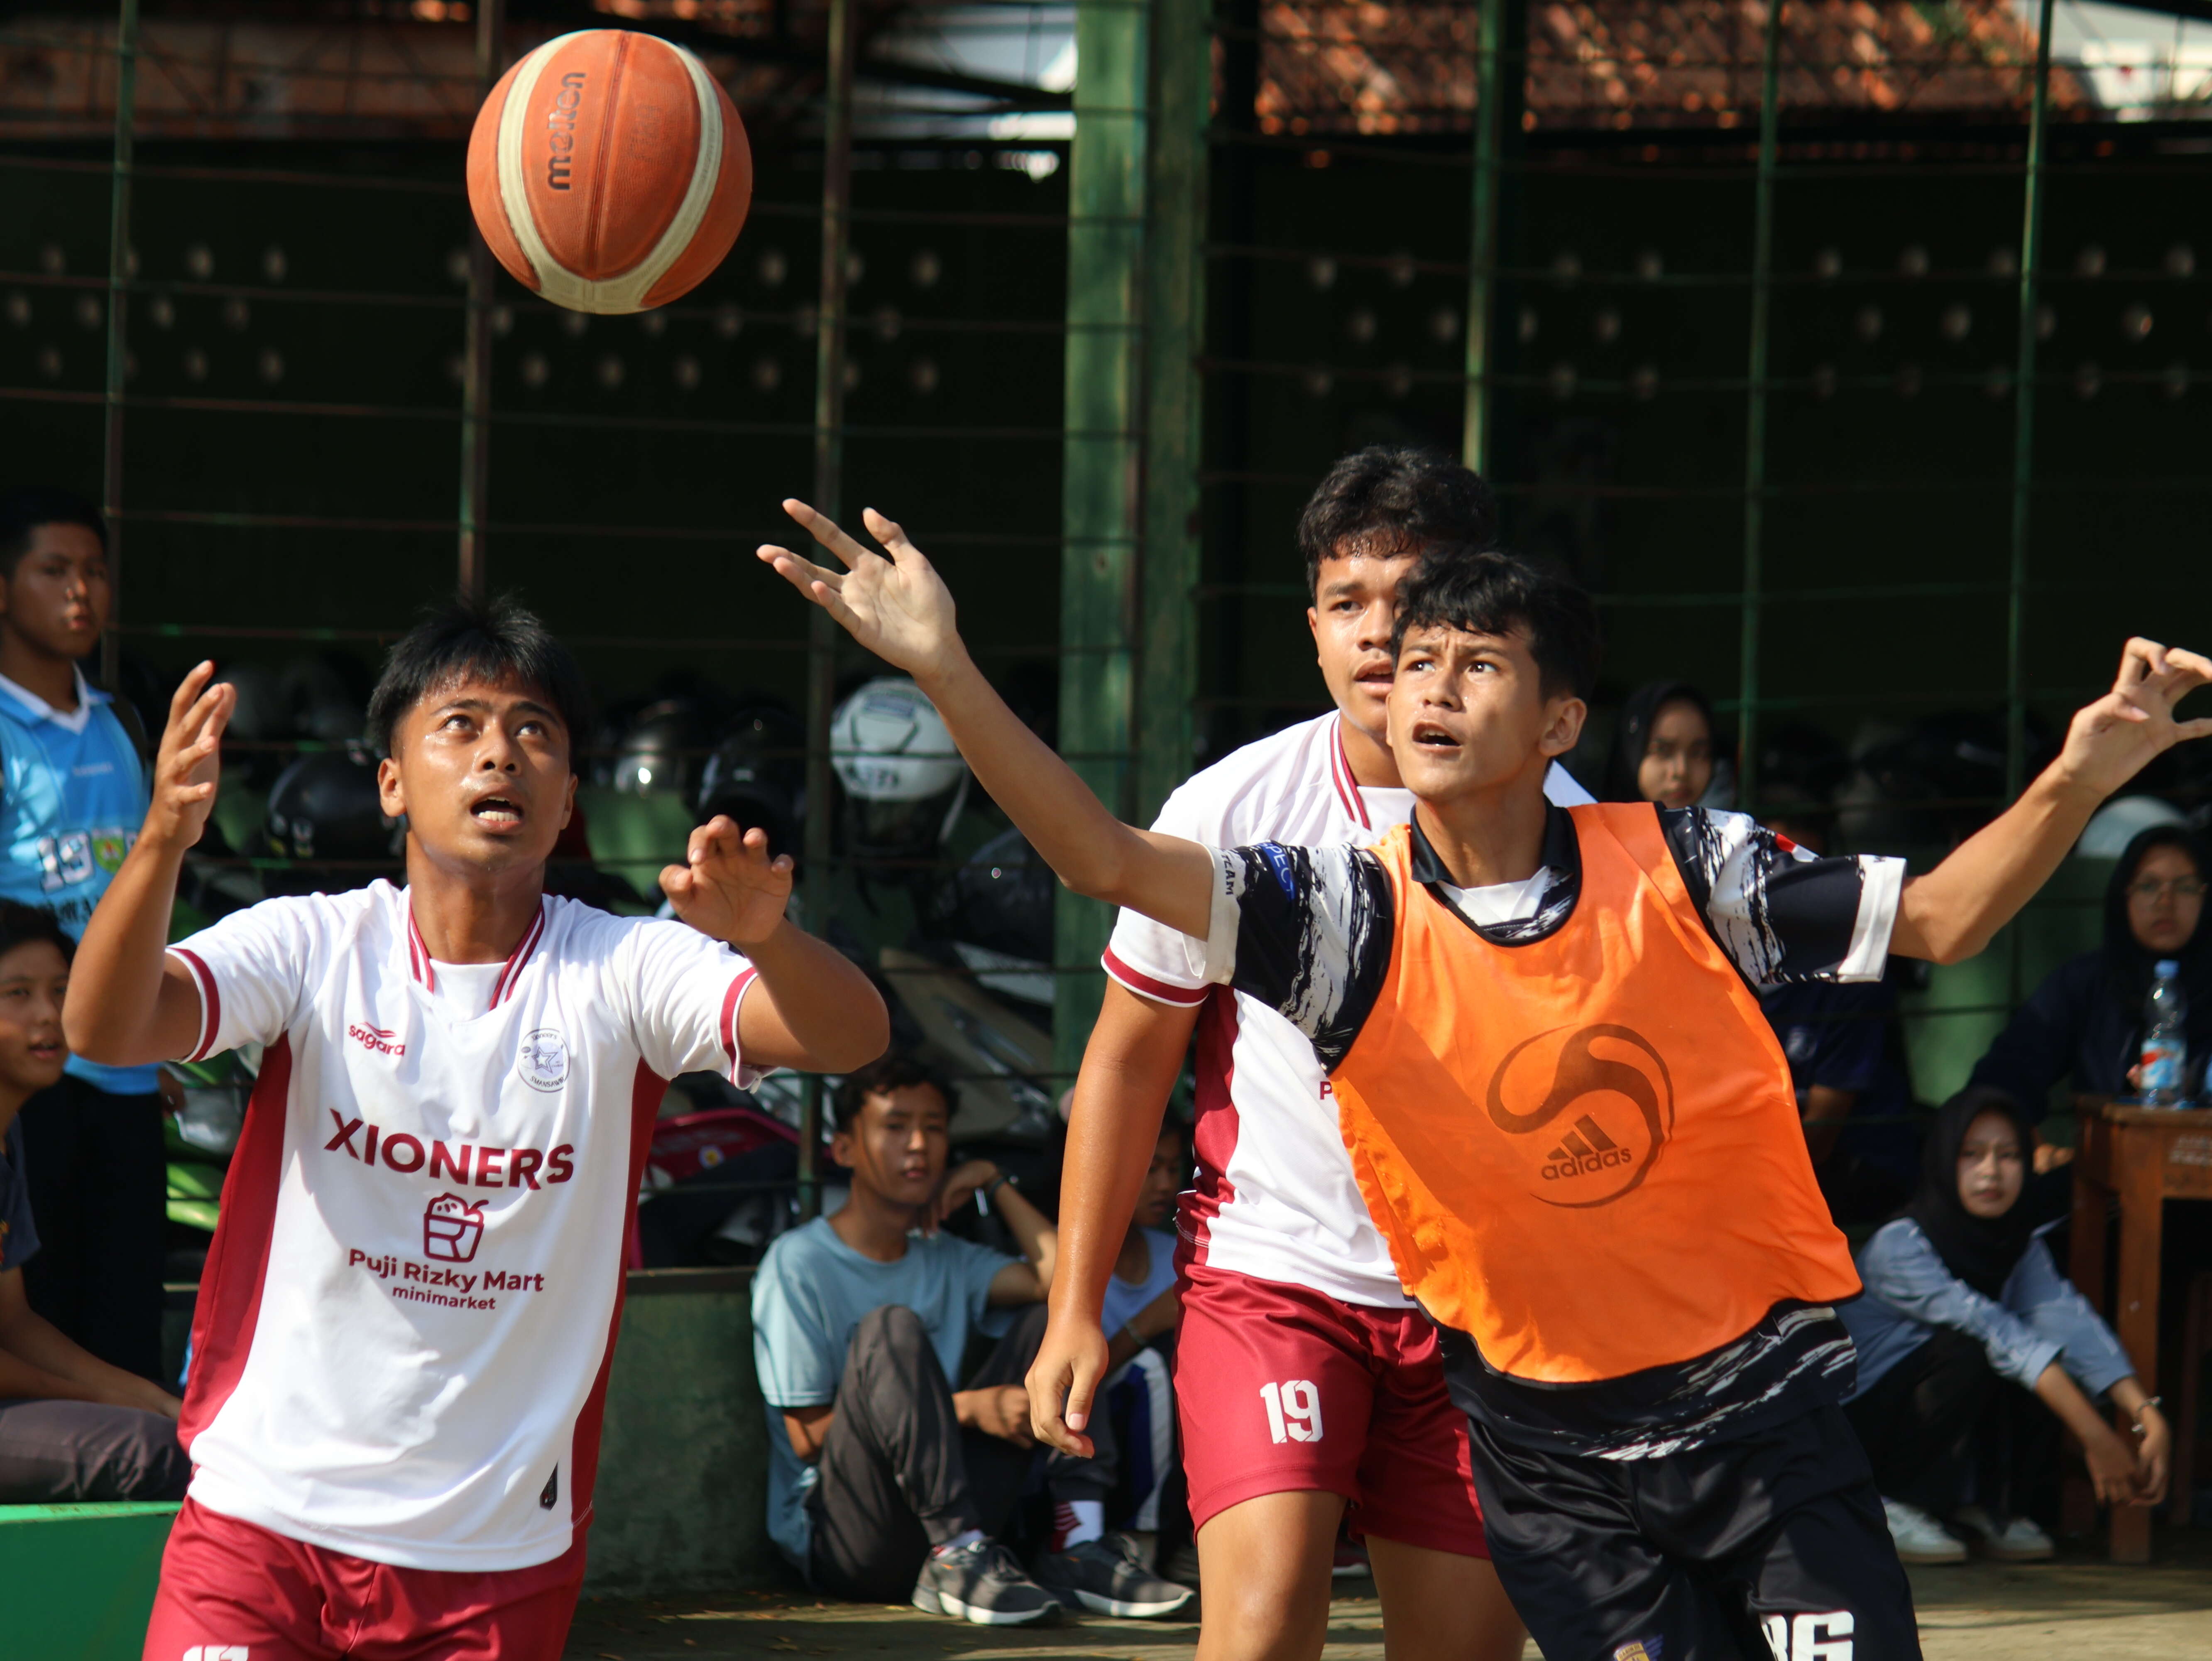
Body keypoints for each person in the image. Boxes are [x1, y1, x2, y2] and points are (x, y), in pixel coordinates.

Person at [761, 497, 2212, 1661]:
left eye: (1471, 663)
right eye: (1405, 657)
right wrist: (944, 668)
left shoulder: (1684, 862)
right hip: (1545, 1445)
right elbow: (1097, 856)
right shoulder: (1338, 916)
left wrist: (2077, 776)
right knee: (1261, 1625)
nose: (1420, 684)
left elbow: (1944, 922)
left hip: (1747, 1412)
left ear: (1558, 723)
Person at [62, 595, 888, 1658]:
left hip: (495, 1560)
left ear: (569, 796)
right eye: (462, 724)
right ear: (392, 783)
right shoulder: (317, 944)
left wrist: (770, 939)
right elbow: (108, 1024)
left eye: (535, 730)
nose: (502, 751)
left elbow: (851, 1037)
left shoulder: (625, 968)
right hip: (262, 1528)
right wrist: (161, 845)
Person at [1037, 448, 1577, 1661]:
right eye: (1348, 602)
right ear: (1314, 628)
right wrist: (1075, 1305)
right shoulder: (1231, 809)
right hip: (1275, 1283)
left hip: (1484, 1319)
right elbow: (1128, 1063)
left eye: (1415, 595)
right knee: (1268, 1620)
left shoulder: (1575, 829)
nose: (1380, 633)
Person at [752, 1052, 1192, 1626]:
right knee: (891, 1328)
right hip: (852, 1538)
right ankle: (956, 1554)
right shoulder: (799, 1263)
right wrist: (968, 1410)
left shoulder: (949, 1259)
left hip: (958, 1515)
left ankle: (1077, 1543)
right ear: (843, 1149)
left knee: (1050, 1322)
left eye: (933, 1129)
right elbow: (807, 1437)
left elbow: (1068, 1280)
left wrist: (994, 1179)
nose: (918, 1145)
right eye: (895, 1126)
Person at [1839, 1087, 2168, 1564]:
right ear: (1942, 1161)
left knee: (2043, 1350)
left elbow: (2071, 1323)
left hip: (1937, 1417)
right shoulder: (1901, 1247)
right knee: (1975, 1348)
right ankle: (1887, 1504)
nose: (1991, 1171)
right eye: (1971, 1154)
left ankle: (1980, 1505)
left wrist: (2146, 1413)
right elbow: (1997, 1333)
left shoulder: (2016, 1244)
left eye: (2010, 1155)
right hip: (1860, 1429)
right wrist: (2098, 1436)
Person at [0, 488, 165, 1382]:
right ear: (2, 587)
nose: (81, 592)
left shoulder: (119, 722)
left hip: (125, 1063)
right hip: (29, 1074)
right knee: (40, 1308)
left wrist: (160, 1028)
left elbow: (140, 890)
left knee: (124, 1307)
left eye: (94, 572)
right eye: (54, 570)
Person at [0, 901, 188, 1502]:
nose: (49, 1016)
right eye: (18, 994)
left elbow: (14, 1322)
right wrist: (107, 1399)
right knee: (159, 1456)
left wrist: (157, 1399)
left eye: (61, 990)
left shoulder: (10, 1138)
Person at [1972, 822, 2212, 1118]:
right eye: (2149, 886)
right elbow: (2003, 1077)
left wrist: (2193, 1091)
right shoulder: (2086, 981)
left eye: (2185, 887)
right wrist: (2026, 1147)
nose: (2166, 902)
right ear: (2123, 896)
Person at [1752, 806, 1920, 1223]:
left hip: (1854, 1168)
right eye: (1772, 871)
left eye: (1804, 875)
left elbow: (1819, 1140)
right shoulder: (1715, 961)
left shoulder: (1851, 972)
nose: (1788, 889)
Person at [1096, 1117, 1187, 1571]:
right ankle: (1141, 1541)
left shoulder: (1175, 1251)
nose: (1166, 1184)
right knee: (1154, 1366)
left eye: (1173, 1168)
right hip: (1096, 1439)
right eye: (1150, 1168)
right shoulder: (1074, 1258)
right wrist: (1143, 1325)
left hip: (1169, 1442)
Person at [1602, 679, 1724, 810]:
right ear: (1631, 754)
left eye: (1698, 753)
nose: (1681, 771)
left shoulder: (1728, 828)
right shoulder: (1592, 828)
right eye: (1662, 751)